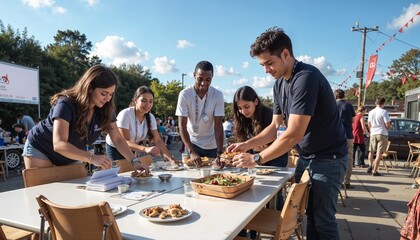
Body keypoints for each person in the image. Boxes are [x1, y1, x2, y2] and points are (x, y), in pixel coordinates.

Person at [228, 27, 347, 240]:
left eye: (269, 63)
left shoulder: (306, 78)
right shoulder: (279, 84)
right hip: (307, 157)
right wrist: (246, 145)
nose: (266, 70)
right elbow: (274, 127)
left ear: (285, 54)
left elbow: (293, 134)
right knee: (312, 217)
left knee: (324, 221)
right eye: (262, 65)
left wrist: (257, 158)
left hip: (329, 158)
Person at [23, 65, 148, 172]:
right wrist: (91, 157)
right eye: (104, 93)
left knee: (74, 194)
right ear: (89, 88)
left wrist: (134, 161)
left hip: (70, 155)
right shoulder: (65, 104)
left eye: (111, 94)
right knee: (45, 191)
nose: (108, 99)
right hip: (41, 149)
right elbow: (59, 144)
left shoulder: (106, 109)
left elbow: (118, 139)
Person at [105, 86, 178, 164]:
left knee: (131, 172)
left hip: (132, 148)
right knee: (119, 173)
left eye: (151, 101)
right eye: (144, 100)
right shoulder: (126, 114)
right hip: (115, 148)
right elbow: (125, 141)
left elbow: (157, 140)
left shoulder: (151, 117)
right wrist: (145, 148)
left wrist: (170, 158)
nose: (148, 105)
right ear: (135, 100)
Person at [176, 60, 225, 166]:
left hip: (212, 145)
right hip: (192, 144)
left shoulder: (217, 95)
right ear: (194, 75)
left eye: (208, 79)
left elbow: (218, 126)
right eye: (200, 79)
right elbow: (182, 125)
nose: (204, 83)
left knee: (213, 177)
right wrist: (192, 151)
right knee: (190, 178)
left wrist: (220, 152)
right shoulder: (184, 94)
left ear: (212, 77)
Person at [334, 89, 356, 189]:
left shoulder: (332, 105)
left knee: (334, 157)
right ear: (344, 95)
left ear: (335, 96)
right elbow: (353, 120)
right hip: (348, 135)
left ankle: (335, 179)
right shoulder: (349, 106)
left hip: (335, 135)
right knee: (349, 158)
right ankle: (347, 181)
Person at [367, 97, 391, 176]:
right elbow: (387, 124)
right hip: (382, 133)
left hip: (373, 132)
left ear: (375, 103)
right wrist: (387, 129)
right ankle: (374, 171)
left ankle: (370, 165)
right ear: (383, 103)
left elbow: (369, 124)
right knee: (379, 153)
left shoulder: (371, 112)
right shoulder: (384, 112)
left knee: (371, 151)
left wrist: (371, 130)